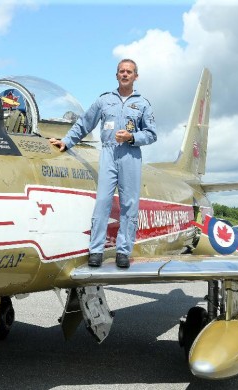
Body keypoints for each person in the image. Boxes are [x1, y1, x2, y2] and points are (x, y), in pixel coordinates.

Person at [50, 59, 157, 268]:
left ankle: (123, 252)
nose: (125, 74)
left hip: (131, 154)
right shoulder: (104, 101)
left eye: (129, 72)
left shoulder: (143, 104)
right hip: (108, 152)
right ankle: (96, 250)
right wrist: (66, 141)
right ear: (116, 75)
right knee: (102, 202)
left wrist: (131, 137)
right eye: (121, 71)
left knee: (129, 205)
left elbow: (152, 134)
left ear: (136, 76)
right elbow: (84, 123)